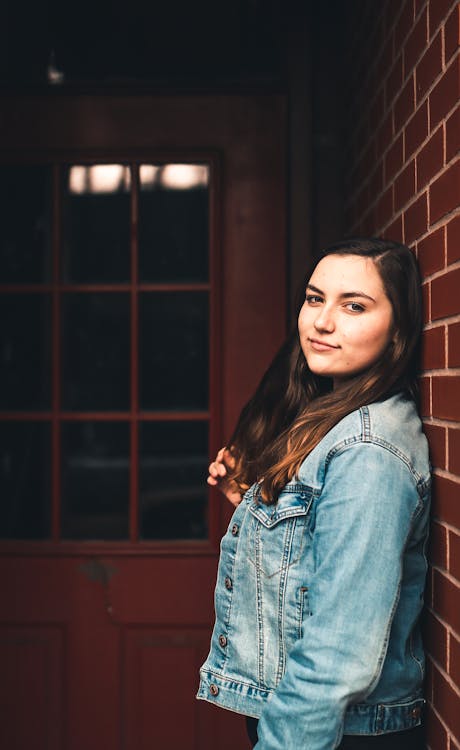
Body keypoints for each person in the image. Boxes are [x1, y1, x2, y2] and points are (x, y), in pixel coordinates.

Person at [196, 238, 431, 750]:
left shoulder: (368, 452)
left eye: (354, 306)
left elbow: (338, 653)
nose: (322, 321)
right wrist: (263, 509)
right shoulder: (332, 419)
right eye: (314, 298)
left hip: (331, 734)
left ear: (398, 329)